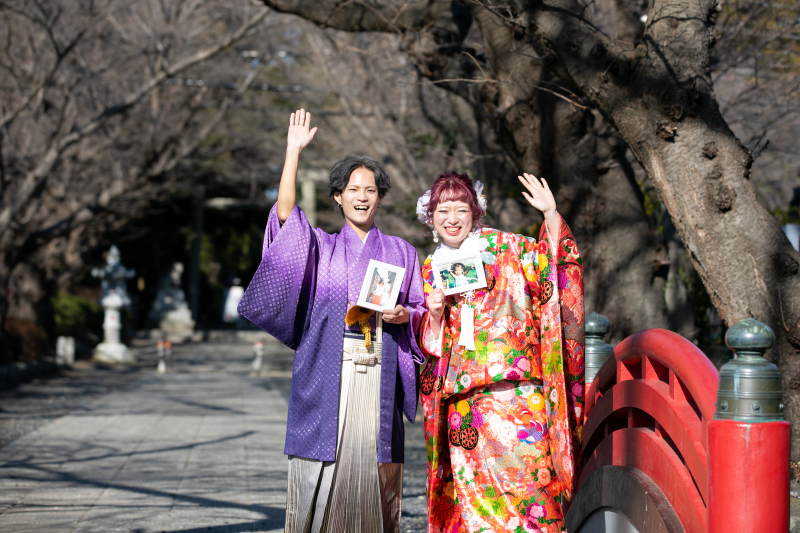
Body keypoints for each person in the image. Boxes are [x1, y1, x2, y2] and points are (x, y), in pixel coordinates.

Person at [237, 109, 426, 533]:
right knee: (321, 469)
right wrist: (293, 152)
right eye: (353, 189)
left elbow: (423, 311)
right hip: (329, 368)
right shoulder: (319, 245)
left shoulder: (402, 252)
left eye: (371, 189)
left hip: (379, 371)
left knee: (373, 474)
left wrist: (405, 315)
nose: (362, 196)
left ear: (380, 198)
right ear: (337, 197)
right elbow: (285, 218)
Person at [415, 172, 584, 533]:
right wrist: (436, 313)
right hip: (465, 406)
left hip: (518, 400)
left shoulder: (509, 248)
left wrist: (551, 215)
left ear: (476, 213)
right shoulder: (431, 268)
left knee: (532, 496)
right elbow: (432, 347)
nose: (452, 218)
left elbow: (553, 270)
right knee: (475, 507)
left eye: (461, 209)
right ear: (430, 218)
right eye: (443, 210)